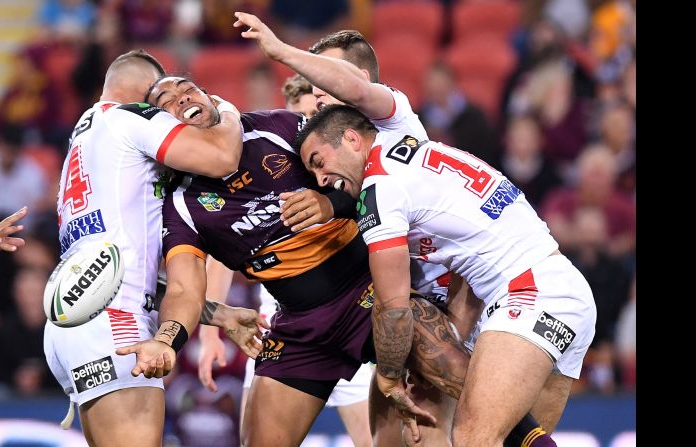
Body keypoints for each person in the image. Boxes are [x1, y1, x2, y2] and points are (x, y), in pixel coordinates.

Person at [232, 13, 556, 447]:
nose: (318, 95)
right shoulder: (335, 149)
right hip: (398, 319)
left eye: (325, 80)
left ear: (357, 78)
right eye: (311, 87)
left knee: (458, 436)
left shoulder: (392, 119)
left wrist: (281, 51)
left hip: (445, 311)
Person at [117, 75, 472, 447]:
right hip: (301, 329)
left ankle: (535, 438)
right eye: (166, 100)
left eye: (187, 88)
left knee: (463, 383)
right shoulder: (179, 206)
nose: (182, 97)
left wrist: (330, 203)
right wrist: (165, 340)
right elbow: (183, 288)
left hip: (371, 298)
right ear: (162, 129)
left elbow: (372, 174)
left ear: (210, 96)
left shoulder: (275, 128)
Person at [296, 104, 597, 446]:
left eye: (319, 162)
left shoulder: (379, 189)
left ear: (351, 139)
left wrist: (390, 375)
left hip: (528, 292)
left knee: (472, 437)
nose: (321, 180)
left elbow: (393, 306)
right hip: (563, 287)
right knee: (521, 440)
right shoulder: (411, 142)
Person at [42, 49, 266, 447]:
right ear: (146, 96)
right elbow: (221, 157)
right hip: (117, 324)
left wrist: (218, 314)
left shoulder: (85, 136)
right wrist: (225, 108)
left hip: (76, 319)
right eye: (162, 100)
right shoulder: (131, 118)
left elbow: (121, 269)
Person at [195, 74, 374, 447]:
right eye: (302, 121)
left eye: (316, 118)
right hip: (283, 324)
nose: (310, 140)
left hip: (356, 303)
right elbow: (228, 252)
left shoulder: (334, 169)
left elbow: (367, 197)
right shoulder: (273, 154)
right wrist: (212, 330)